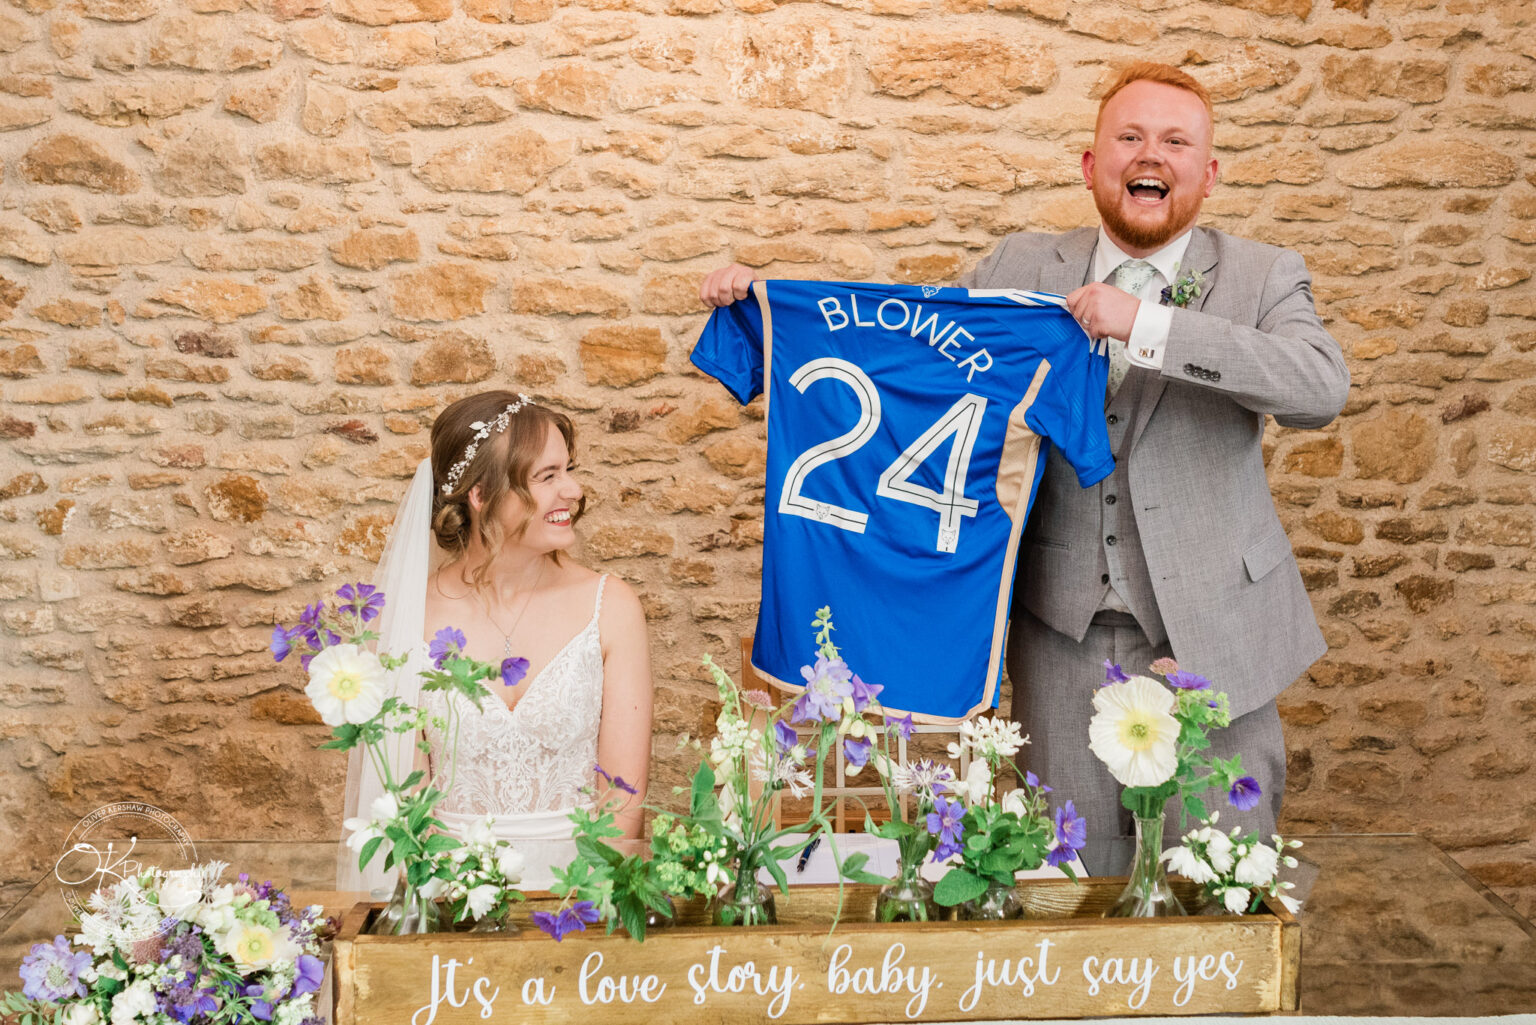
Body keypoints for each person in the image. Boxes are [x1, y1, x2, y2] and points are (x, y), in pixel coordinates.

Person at [699, 62, 1348, 873]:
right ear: (1091, 164)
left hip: (1219, 632)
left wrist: (1148, 325)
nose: (1152, 154)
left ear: (1208, 173)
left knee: (1222, 875)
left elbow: (1319, 386)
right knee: (1072, 878)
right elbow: (909, 353)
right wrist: (772, 307)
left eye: (1176, 141)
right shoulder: (1020, 266)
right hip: (1059, 631)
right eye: (1131, 136)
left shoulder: (1263, 275)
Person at [340, 390, 653, 892]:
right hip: (448, 896)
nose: (572, 491)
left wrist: (588, 908)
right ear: (480, 495)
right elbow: (406, 798)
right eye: (547, 477)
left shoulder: (611, 608)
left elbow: (622, 804)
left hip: (580, 896)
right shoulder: (410, 616)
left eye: (567, 470)